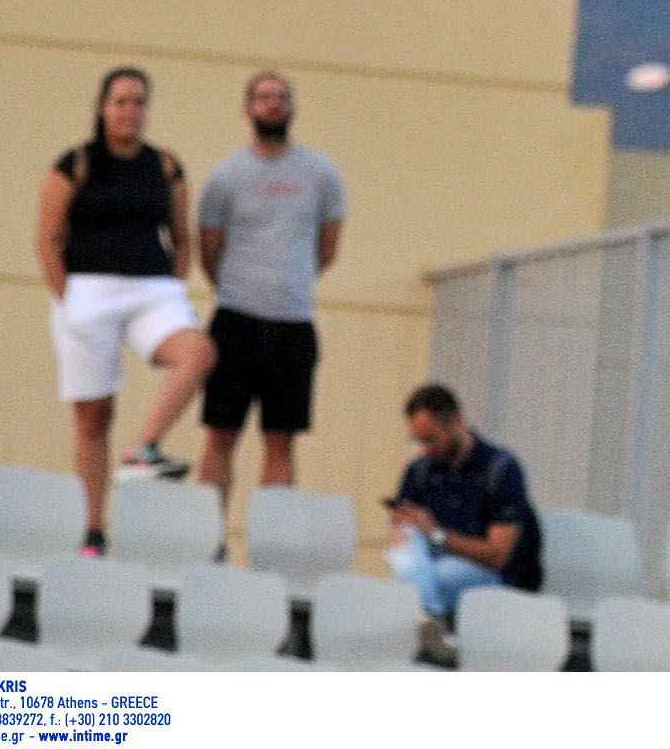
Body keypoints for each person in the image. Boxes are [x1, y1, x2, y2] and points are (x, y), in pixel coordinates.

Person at [34, 66, 215, 546]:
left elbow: (181, 236)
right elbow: (48, 240)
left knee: (197, 354)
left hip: (151, 288)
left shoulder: (165, 167)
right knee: (94, 417)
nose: (129, 111)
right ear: (102, 106)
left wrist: (174, 286)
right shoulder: (75, 164)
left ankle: (143, 449)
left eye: (138, 102)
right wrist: (67, 299)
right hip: (87, 290)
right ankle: (92, 528)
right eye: (120, 101)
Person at [196, 71, 347, 517]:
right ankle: (208, 538)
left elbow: (328, 246)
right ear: (247, 110)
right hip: (235, 321)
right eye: (263, 98)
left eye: (282, 97)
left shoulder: (321, 173)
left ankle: (270, 542)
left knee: (280, 440)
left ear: (294, 109)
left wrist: (289, 280)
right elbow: (209, 249)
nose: (273, 104)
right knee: (220, 435)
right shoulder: (225, 177)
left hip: (293, 325)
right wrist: (245, 285)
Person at [385, 383, 541, 626]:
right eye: (417, 441)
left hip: (487, 572)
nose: (425, 449)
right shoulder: (419, 471)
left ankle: (428, 617)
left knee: (408, 589)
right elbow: (404, 539)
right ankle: (429, 617)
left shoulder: (500, 470)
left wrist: (436, 534)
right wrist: (402, 528)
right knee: (405, 542)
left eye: (431, 439)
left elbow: (498, 555)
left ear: (456, 422)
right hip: (430, 562)